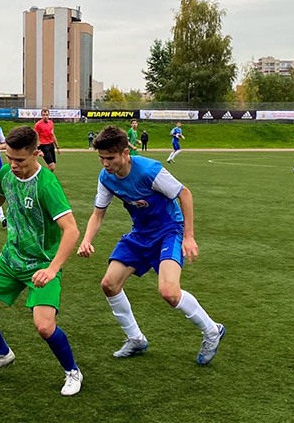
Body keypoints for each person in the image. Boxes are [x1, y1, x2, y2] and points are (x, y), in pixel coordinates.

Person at [77, 126, 225, 365]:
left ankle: (211, 330)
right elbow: (98, 214)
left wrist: (188, 236)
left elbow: (184, 194)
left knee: (169, 292)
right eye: (101, 158)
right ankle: (135, 338)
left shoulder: (149, 171)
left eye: (110, 158)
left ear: (125, 153)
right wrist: (86, 240)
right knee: (109, 284)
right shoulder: (106, 178)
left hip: (169, 232)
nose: (105, 163)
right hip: (140, 235)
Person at [0, 126, 83, 396]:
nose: (12, 165)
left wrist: (52, 269)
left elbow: (71, 230)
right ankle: (2, 353)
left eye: (20, 160)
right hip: (10, 259)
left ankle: (72, 371)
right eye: (9, 158)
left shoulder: (47, 185)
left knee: (45, 327)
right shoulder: (5, 173)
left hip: (41, 265)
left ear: (36, 153)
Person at [34, 108, 61, 172]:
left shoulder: (51, 123)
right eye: (44, 115)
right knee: (51, 166)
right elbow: (36, 137)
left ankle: (46, 179)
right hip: (43, 145)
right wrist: (38, 150)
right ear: (41, 115)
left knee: (52, 166)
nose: (45, 116)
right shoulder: (38, 125)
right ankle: (44, 178)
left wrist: (57, 147)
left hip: (51, 145)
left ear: (49, 115)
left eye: (46, 115)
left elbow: (52, 134)